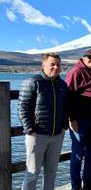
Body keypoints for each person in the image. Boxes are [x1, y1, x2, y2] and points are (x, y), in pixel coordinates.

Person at [18, 53, 68, 190]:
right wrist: (30, 130)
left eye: (58, 64)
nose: (56, 67)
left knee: (51, 173)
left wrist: (64, 126)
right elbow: (23, 107)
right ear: (43, 65)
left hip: (57, 135)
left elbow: (66, 107)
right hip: (37, 135)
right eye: (52, 64)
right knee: (32, 173)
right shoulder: (33, 82)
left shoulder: (63, 85)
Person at [66, 49, 91, 190]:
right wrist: (72, 118)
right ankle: (75, 186)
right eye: (90, 57)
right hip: (80, 120)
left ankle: (87, 182)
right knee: (77, 154)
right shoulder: (76, 72)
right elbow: (68, 96)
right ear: (83, 58)